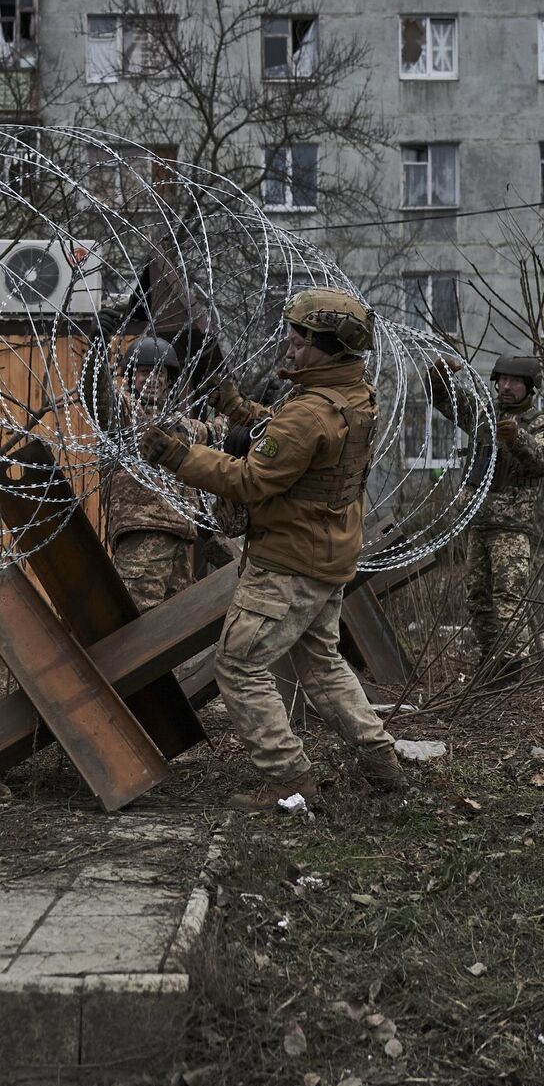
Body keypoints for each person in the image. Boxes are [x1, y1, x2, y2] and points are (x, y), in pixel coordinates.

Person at [139, 289, 406, 811]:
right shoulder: (352, 396)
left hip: (288, 562)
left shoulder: (309, 413)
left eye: (301, 338)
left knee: (239, 665)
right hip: (326, 556)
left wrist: (178, 455)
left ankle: (288, 780)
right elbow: (282, 436)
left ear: (328, 347)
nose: (290, 344)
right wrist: (232, 403)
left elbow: (248, 479)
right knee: (323, 665)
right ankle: (382, 761)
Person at [425, 354, 544, 677]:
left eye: (515, 382)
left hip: (512, 530)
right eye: (502, 380)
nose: (507, 387)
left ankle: (514, 668)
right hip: (478, 523)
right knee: (478, 599)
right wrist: (438, 375)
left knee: (508, 600)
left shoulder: (539, 423)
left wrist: (517, 438)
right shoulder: (485, 415)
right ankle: (491, 661)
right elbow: (447, 400)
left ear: (529, 387)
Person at [101, 334, 226, 611]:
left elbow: (217, 430)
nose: (154, 379)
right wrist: (98, 349)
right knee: (141, 620)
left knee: (175, 625)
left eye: (160, 372)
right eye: (145, 372)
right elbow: (100, 395)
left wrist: (243, 410)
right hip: (144, 533)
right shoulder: (124, 415)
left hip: (181, 539)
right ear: (132, 376)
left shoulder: (182, 426)